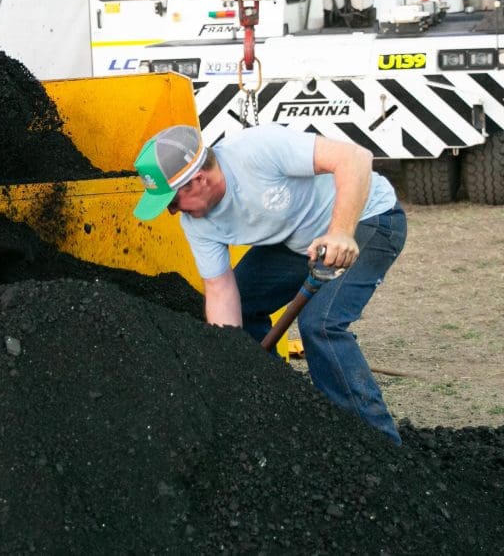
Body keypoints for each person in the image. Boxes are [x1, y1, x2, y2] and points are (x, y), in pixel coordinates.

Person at [133, 123, 407, 444]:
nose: (172, 212)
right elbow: (221, 292)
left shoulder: (257, 149)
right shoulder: (198, 224)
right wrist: (232, 360)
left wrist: (340, 232)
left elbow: (356, 158)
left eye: (172, 202)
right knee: (244, 306)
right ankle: (280, 406)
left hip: (367, 218)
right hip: (299, 243)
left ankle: (378, 445)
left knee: (320, 325)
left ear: (198, 181)